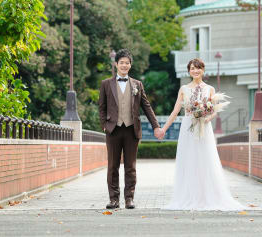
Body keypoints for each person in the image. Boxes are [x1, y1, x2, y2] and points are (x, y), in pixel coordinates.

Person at [160, 58, 244, 210]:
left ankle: (206, 197)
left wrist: (205, 118)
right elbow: (175, 112)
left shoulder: (210, 89)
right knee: (189, 161)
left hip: (204, 128)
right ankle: (189, 196)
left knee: (205, 161)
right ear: (189, 71)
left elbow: (213, 111)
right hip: (188, 128)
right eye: (192, 68)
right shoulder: (184, 89)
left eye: (198, 68)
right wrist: (164, 128)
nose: (195, 71)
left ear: (203, 70)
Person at [98, 49, 164, 209]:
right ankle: (114, 199)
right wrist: (104, 126)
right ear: (116, 64)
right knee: (112, 166)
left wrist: (156, 126)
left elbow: (146, 106)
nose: (124, 65)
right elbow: (102, 107)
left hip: (131, 130)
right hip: (113, 130)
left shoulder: (137, 85)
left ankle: (129, 198)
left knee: (130, 166)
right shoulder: (106, 84)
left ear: (130, 65)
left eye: (127, 63)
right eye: (122, 62)